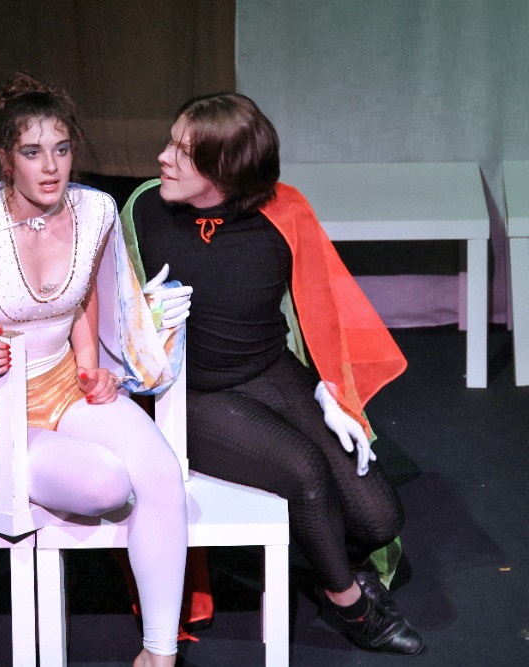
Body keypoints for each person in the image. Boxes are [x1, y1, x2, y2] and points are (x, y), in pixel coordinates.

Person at [0, 73, 189, 666]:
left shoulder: (96, 211)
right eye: (32, 152)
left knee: (160, 473)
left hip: (64, 385)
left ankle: (159, 653)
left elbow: (91, 291)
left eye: (62, 149)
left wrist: (92, 363)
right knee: (107, 485)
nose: (50, 167)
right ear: (5, 160)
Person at [121, 92, 424, 655]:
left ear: (224, 171)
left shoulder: (283, 212)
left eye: (183, 152)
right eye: (170, 142)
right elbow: (104, 310)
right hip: (195, 393)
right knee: (305, 474)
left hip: (271, 371)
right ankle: (348, 603)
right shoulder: (143, 210)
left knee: (380, 518)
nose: (163, 157)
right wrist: (141, 319)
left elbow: (323, 307)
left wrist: (331, 391)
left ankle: (325, 554)